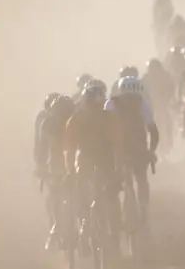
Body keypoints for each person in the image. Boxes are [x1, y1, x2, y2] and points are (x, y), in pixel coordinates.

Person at [64, 83, 121, 252]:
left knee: (112, 193)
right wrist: (70, 171)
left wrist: (118, 170)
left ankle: (114, 229)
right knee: (82, 189)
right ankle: (84, 223)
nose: (94, 109)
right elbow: (69, 149)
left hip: (103, 160)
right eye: (92, 103)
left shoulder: (110, 119)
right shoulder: (76, 120)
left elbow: (118, 146)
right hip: (86, 159)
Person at [105, 76, 160, 230]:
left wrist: (150, 151)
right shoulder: (115, 105)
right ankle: (136, 212)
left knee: (138, 178)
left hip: (132, 149)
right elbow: (153, 131)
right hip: (126, 149)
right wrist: (150, 151)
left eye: (133, 98)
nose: (131, 101)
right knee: (132, 180)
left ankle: (142, 210)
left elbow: (153, 131)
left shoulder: (138, 105)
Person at [37, 95, 75, 250]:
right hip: (57, 165)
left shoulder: (74, 122)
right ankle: (56, 226)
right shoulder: (48, 124)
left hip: (72, 164)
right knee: (54, 196)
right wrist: (42, 167)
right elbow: (42, 149)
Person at [143, 58, 176, 156]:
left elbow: (171, 88)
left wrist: (168, 99)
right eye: (151, 69)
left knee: (168, 121)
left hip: (162, 103)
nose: (154, 71)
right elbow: (142, 92)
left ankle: (169, 140)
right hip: (150, 104)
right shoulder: (145, 78)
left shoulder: (166, 76)